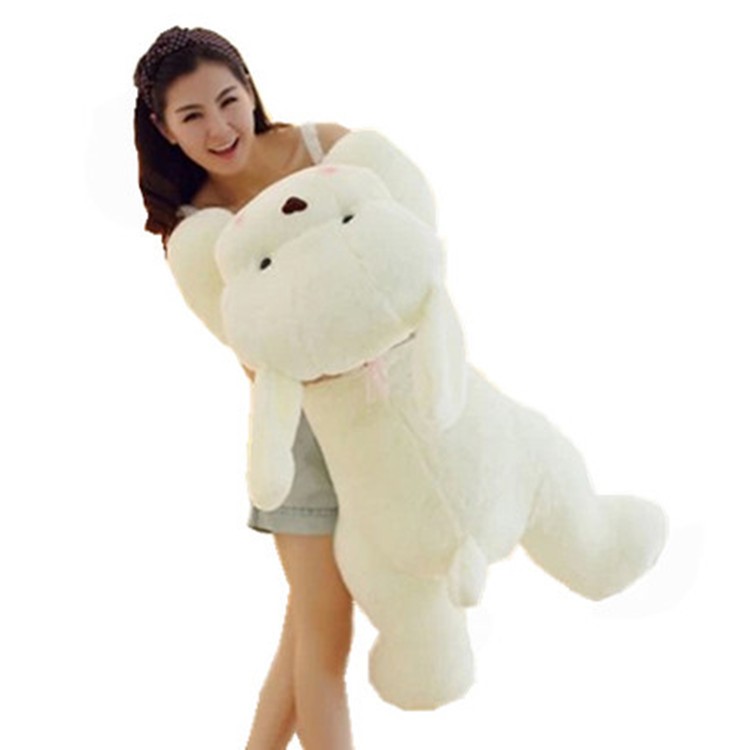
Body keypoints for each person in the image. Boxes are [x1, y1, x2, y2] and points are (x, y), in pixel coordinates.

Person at [133, 27, 354, 750]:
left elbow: (405, 259)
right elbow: (258, 355)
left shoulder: (328, 149)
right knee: (326, 634)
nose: (220, 128)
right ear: (165, 128)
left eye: (229, 100)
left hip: (387, 413)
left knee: (310, 626)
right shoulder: (195, 229)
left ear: (251, 90)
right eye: (192, 115)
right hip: (298, 438)